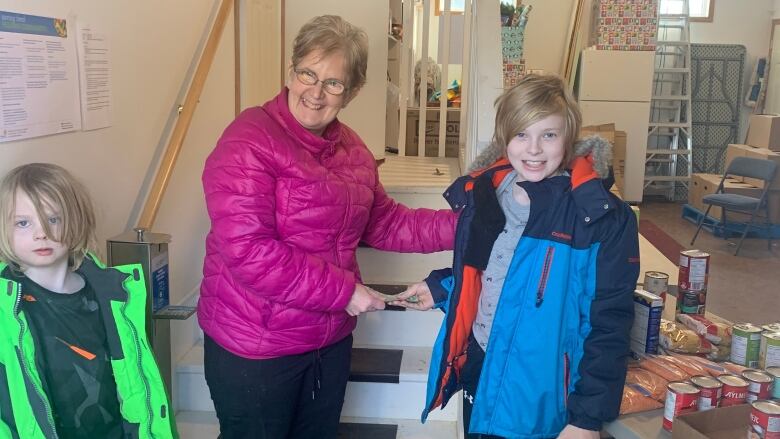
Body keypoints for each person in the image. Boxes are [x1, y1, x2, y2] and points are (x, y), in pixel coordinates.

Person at [198, 14, 456, 439]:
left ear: (351, 91)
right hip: (257, 346)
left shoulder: (353, 149)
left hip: (327, 342)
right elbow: (250, 252)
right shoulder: (248, 139)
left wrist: (467, 224)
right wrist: (346, 292)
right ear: (292, 71)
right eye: (308, 74)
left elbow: (386, 223)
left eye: (333, 83)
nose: (315, 93)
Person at [392, 74, 640, 438]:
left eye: (549, 135)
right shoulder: (487, 193)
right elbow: (490, 269)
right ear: (504, 136)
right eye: (522, 134)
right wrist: (443, 287)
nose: (534, 149)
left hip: (542, 392)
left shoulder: (603, 219)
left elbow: (609, 326)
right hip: (481, 362)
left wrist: (586, 419)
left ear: (568, 136)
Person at [0, 163, 176, 438]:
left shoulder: (112, 295)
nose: (41, 233)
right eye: (23, 223)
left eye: (54, 219)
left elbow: (137, 387)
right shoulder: (5, 309)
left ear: (77, 220)